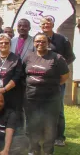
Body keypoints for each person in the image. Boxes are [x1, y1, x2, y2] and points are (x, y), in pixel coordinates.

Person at [23, 33, 69, 155]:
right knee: (32, 125)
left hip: (51, 99)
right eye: (37, 41)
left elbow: (64, 76)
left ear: (48, 43)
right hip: (31, 98)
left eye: (43, 41)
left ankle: (48, 151)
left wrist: (49, 85)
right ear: (34, 43)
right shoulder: (29, 57)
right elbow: (24, 74)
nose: (40, 44)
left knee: (50, 126)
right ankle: (34, 149)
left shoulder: (57, 58)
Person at [40, 17, 76, 146]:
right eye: (43, 24)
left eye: (48, 23)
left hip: (57, 82)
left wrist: (62, 68)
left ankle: (59, 137)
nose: (46, 25)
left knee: (58, 109)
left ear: (53, 24)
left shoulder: (62, 39)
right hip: (41, 82)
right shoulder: (38, 39)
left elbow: (71, 57)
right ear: (40, 26)